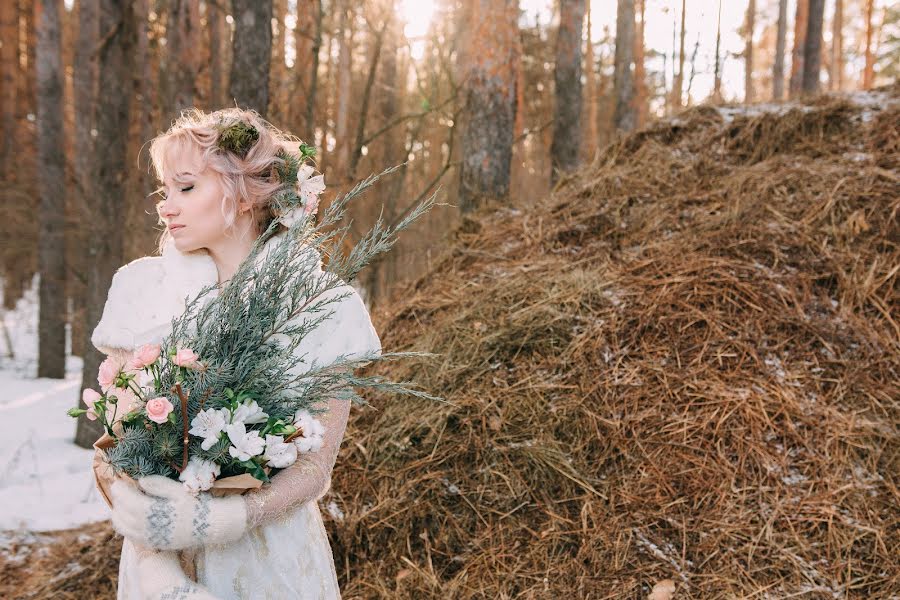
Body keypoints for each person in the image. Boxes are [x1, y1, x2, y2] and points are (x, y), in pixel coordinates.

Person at [89, 107, 381, 599]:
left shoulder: (327, 308)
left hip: (269, 563)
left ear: (244, 195)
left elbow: (315, 468)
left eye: (186, 187)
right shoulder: (139, 289)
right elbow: (114, 448)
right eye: (165, 190)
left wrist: (228, 518)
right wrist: (153, 560)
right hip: (158, 565)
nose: (166, 206)